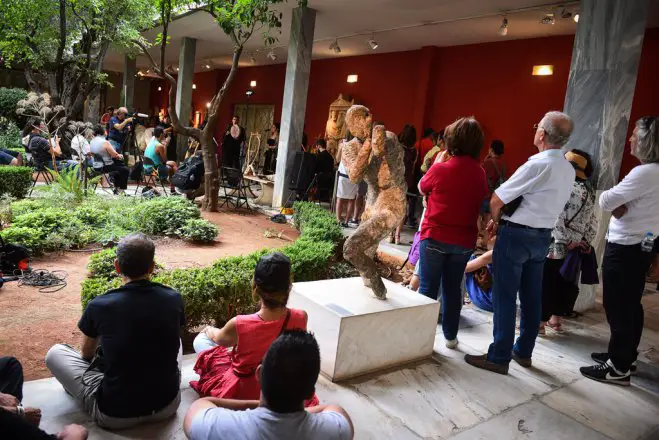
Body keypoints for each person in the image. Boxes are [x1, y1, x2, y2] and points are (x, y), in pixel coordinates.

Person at [465, 111, 575, 375]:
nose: (535, 130)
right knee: (530, 295)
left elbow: (496, 200)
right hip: (542, 236)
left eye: (538, 126)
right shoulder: (567, 168)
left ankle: (499, 355)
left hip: (517, 235)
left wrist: (497, 221)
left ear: (543, 134)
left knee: (504, 295)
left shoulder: (537, 164)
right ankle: (523, 350)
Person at [45, 234, 185, 430]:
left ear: (117, 266)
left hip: (114, 414)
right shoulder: (173, 298)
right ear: (152, 266)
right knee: (176, 344)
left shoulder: (100, 305)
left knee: (56, 353)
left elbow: (86, 354)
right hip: (167, 406)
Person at [580, 116, 659, 386]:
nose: (630, 139)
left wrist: (618, 203)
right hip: (644, 243)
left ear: (648, 141)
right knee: (630, 303)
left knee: (618, 305)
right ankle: (625, 354)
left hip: (627, 245)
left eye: (635, 135)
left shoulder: (645, 172)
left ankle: (618, 367)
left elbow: (606, 199)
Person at [191, 253, 319, 407]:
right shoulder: (301, 317)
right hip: (281, 385)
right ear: (288, 287)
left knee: (201, 340)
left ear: (256, 287)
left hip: (241, 391)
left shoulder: (240, 324)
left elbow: (219, 340)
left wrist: (209, 330)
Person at [185, 330, 354, 440]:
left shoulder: (215, 427)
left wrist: (256, 405)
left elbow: (201, 404)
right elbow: (334, 408)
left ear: (258, 374)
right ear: (310, 394)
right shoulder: (336, 430)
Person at [417, 117, 489, 349]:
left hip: (435, 235)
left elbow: (421, 187)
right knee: (452, 289)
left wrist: (438, 160)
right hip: (463, 241)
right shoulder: (479, 173)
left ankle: (422, 339)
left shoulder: (441, 168)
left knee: (427, 289)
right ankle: (450, 337)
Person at [541, 149, 597, 334]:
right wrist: (583, 241)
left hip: (557, 244)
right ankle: (555, 320)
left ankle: (538, 325)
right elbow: (592, 222)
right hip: (576, 247)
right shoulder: (589, 191)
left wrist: (562, 240)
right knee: (563, 283)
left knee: (547, 283)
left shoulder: (564, 186)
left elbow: (557, 216)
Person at [391, 124, 418, 243]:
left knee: (392, 208)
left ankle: (390, 234)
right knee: (402, 208)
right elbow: (412, 168)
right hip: (408, 181)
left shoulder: (398, 148)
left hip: (396, 179)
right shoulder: (415, 151)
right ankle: (397, 236)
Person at [480, 140, 508, 243]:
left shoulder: (486, 163)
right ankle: (486, 241)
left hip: (485, 196)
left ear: (491, 149)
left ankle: (479, 241)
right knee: (490, 219)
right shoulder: (504, 164)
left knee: (479, 217)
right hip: (497, 198)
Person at [89, 124, 129, 193]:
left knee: (119, 167)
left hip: (96, 165)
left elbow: (92, 153)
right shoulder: (105, 142)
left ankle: (117, 188)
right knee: (125, 169)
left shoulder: (92, 141)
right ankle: (120, 190)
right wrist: (120, 156)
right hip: (105, 167)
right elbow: (114, 155)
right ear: (103, 132)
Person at [145, 126, 179, 194]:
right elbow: (164, 160)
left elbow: (161, 131)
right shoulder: (159, 146)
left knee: (173, 163)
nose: (165, 135)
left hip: (146, 167)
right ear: (161, 135)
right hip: (153, 170)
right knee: (172, 166)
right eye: (164, 133)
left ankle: (174, 186)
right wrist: (165, 145)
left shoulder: (152, 139)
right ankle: (177, 184)